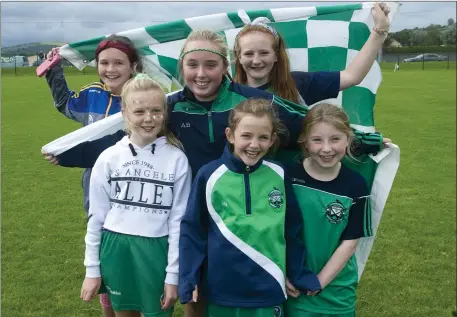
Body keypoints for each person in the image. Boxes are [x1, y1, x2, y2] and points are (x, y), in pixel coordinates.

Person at [42, 29, 386, 317]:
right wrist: (70, 153)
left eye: (211, 64)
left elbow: (307, 129)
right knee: (192, 298)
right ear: (182, 67)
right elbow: (126, 134)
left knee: (225, 298)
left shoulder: (253, 103)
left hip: (238, 221)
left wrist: (363, 141)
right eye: (192, 65)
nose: (201, 73)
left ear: (225, 67)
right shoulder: (171, 105)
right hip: (187, 221)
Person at [179, 98, 321, 317]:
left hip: (269, 287)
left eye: (263, 137)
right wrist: (189, 277)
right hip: (222, 289)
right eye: (246, 136)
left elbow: (291, 229)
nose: (254, 145)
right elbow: (193, 231)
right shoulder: (209, 175)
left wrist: (298, 272)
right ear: (230, 136)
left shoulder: (279, 174)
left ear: (273, 140)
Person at [45, 35, 143, 317]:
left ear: (132, 65)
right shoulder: (92, 95)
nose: (110, 69)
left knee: (134, 249)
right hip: (97, 190)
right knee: (104, 252)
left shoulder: (143, 96)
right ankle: (110, 306)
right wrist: (54, 70)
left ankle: (137, 302)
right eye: (104, 63)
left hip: (135, 189)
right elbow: (65, 103)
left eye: (118, 63)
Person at [80, 74, 192, 317]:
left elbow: (177, 222)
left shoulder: (177, 159)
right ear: (125, 112)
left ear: (165, 113)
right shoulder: (109, 157)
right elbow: (96, 218)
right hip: (116, 250)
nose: (149, 118)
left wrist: (173, 275)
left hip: (157, 251)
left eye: (156, 110)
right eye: (140, 111)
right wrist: (92, 270)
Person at [284, 103, 374, 317]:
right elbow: (276, 232)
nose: (326, 149)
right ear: (304, 141)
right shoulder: (287, 176)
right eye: (317, 140)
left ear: (348, 139)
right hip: (295, 288)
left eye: (335, 139)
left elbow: (351, 241)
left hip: (338, 292)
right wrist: (285, 274)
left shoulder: (356, 185)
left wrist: (319, 282)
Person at [233, 3, 391, 105]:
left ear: (275, 55)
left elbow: (351, 76)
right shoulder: (227, 92)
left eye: (264, 53)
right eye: (248, 54)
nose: (256, 60)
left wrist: (379, 31)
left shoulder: (297, 84)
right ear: (239, 57)